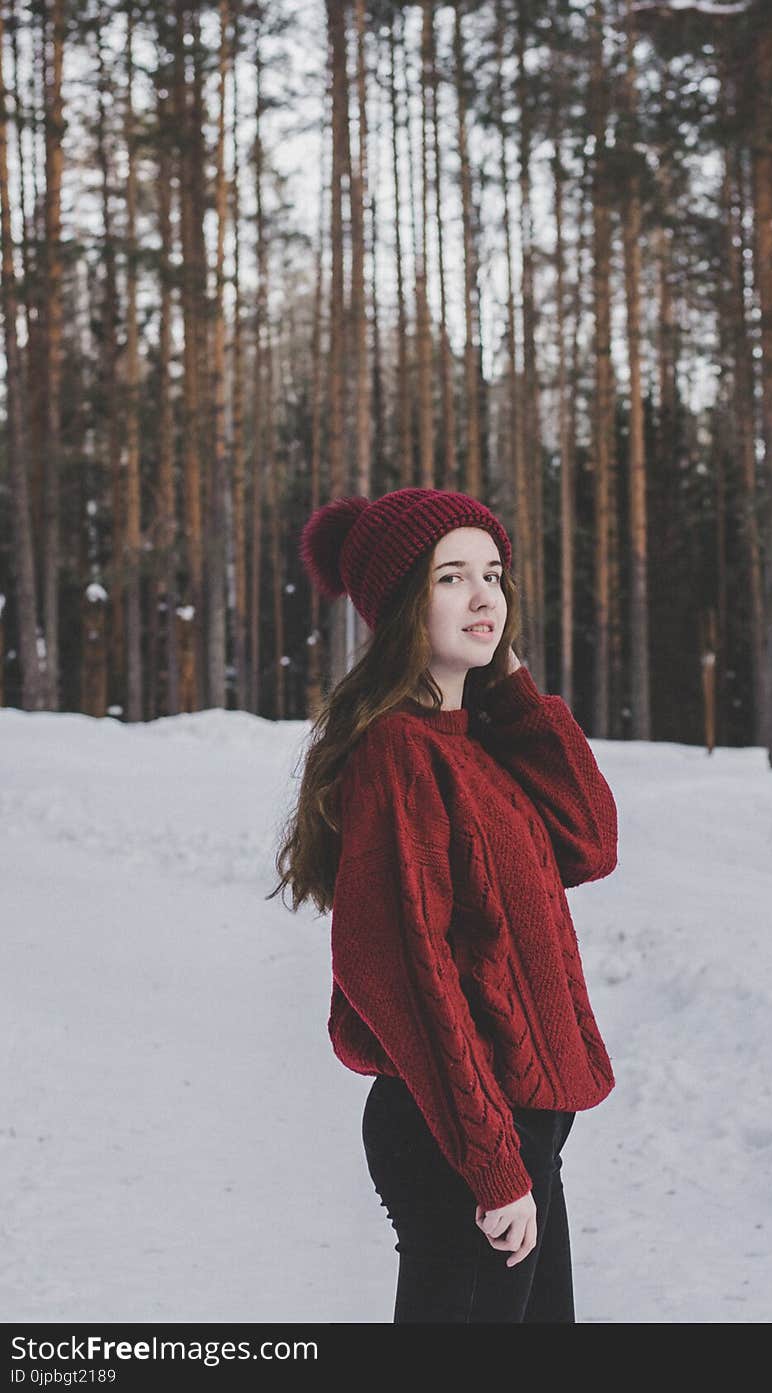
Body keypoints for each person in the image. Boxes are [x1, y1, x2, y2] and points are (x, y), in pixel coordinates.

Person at [271, 487, 619, 1324]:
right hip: (459, 1137)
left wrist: (510, 691)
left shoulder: (481, 744)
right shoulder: (397, 750)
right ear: (400, 607)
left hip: (516, 1132)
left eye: (493, 574)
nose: (483, 597)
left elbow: (590, 840)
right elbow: (396, 969)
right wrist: (495, 1166)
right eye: (450, 577)